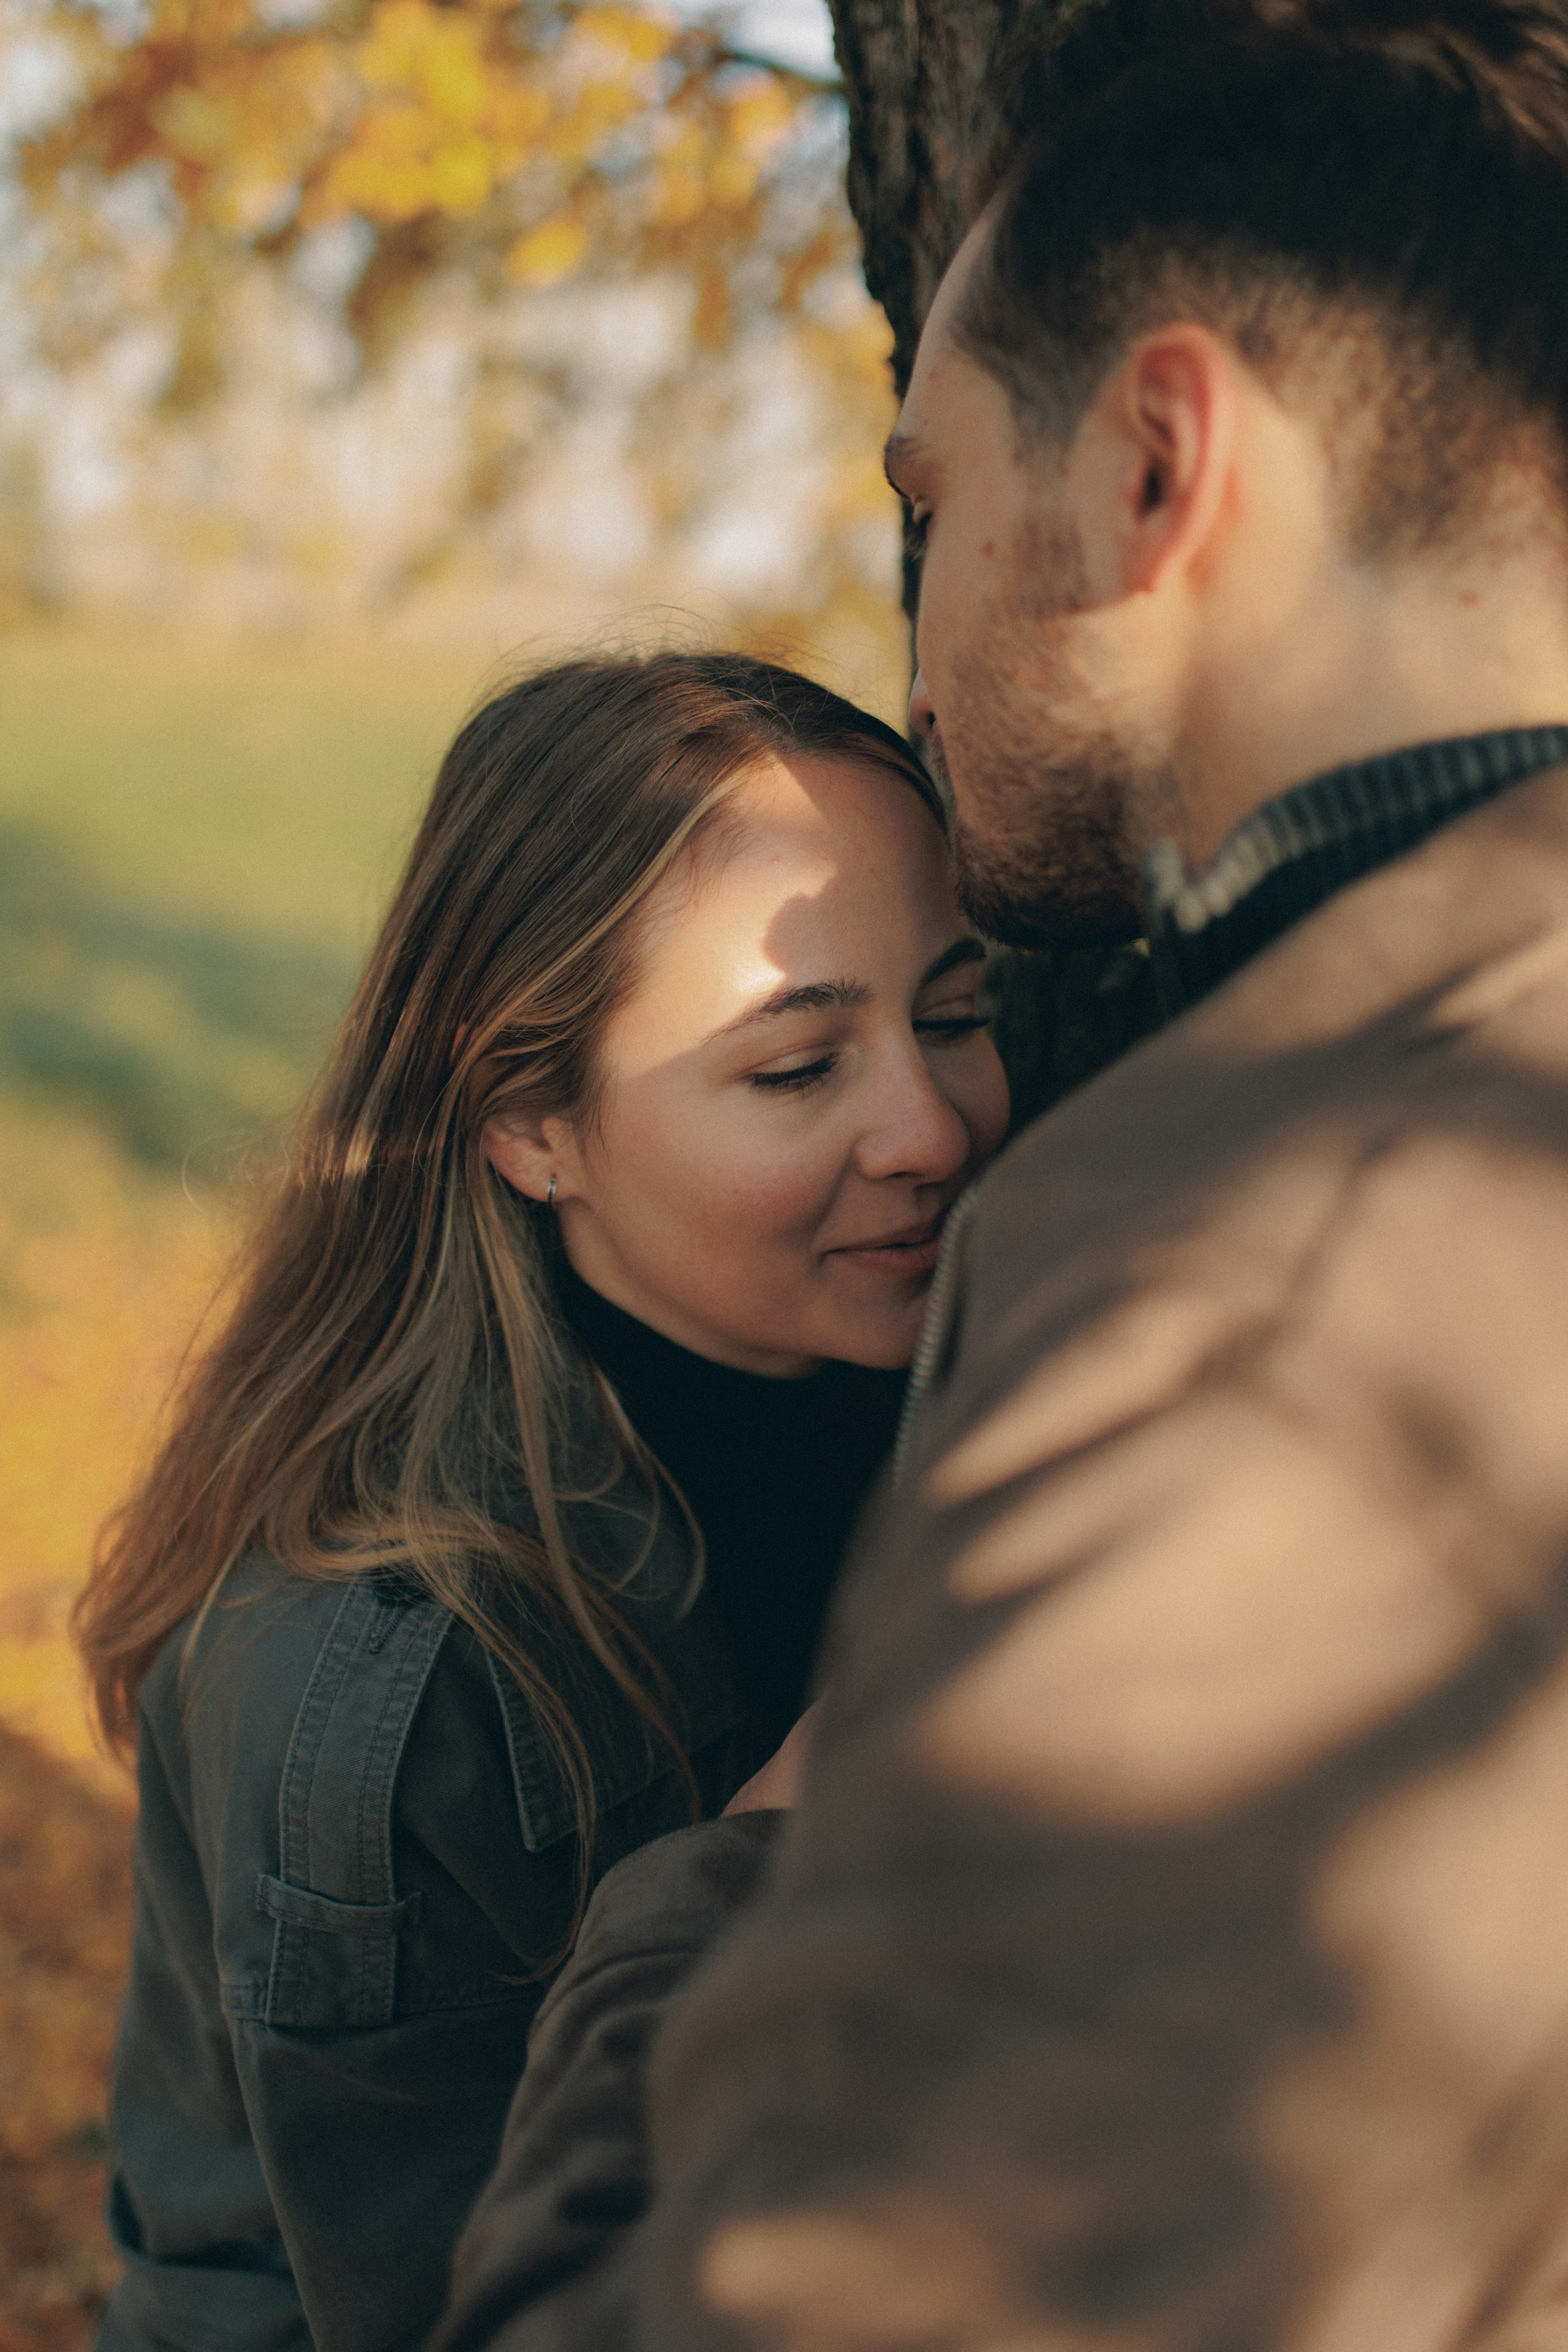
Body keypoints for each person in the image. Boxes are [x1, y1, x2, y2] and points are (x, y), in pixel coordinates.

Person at [432, 4, 1568, 2348]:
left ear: (1162, 462)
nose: (916, 646)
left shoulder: (1264, 1301)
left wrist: (742, 1865)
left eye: (932, 505)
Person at [81, 649, 1009, 2352]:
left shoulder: (969, 1382)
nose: (932, 1126)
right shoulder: (385, 1693)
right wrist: (764, 1851)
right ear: (527, 1118)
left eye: (953, 1016)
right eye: (798, 1070)